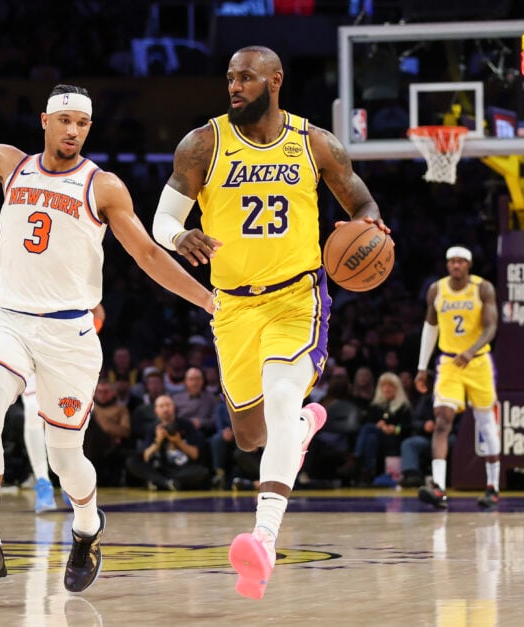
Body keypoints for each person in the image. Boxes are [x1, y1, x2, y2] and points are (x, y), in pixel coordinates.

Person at [0, 18, 214, 593]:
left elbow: (149, 257)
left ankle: (86, 524)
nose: (74, 130)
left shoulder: (103, 187)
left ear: (88, 128)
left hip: (71, 335)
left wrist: (205, 300)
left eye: (83, 123)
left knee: (64, 455)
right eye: (66, 121)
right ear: (46, 121)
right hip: (7, 320)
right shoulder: (11, 163)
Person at [152, 45, 387, 598]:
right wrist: (178, 235)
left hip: (295, 298)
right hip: (232, 305)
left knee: (282, 401)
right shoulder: (203, 143)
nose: (234, 86)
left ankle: (262, 539)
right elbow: (162, 215)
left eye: (246, 78)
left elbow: (364, 206)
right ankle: (304, 427)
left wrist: (374, 234)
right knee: (249, 435)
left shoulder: (315, 144)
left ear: (275, 80)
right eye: (230, 78)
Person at [415, 246, 500, 510]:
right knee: (442, 420)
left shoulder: (482, 288)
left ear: (469, 265)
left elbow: (491, 326)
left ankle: (493, 487)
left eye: (461, 261)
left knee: (486, 424)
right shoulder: (436, 290)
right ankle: (439, 487)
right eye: (452, 261)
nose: (456, 265)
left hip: (477, 362)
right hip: (449, 362)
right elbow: (430, 327)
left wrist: (471, 350)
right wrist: (421, 367)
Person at [124, 394, 211, 491]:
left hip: (182, 469)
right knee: (132, 461)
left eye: (168, 405)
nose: (165, 409)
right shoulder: (153, 428)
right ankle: (167, 483)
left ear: (174, 407)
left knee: (202, 472)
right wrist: (158, 441)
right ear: (156, 411)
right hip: (160, 469)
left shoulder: (186, 425)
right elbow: (146, 456)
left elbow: (195, 455)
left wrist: (179, 442)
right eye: (161, 406)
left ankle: (160, 483)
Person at [21, 375, 58, 513]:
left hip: (66, 363)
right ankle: (43, 482)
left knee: (64, 414)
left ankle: (70, 481)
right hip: (34, 361)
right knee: (32, 407)